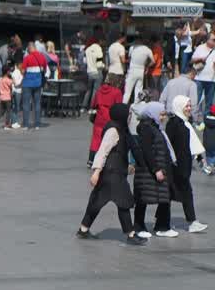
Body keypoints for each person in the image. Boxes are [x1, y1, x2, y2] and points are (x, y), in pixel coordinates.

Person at [78, 103, 146, 245]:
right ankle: (131, 234)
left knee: (97, 202)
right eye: (128, 115)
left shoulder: (122, 129)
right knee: (123, 202)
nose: (129, 117)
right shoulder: (113, 130)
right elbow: (103, 151)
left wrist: (128, 165)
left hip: (114, 172)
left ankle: (83, 230)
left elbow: (120, 151)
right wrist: (96, 172)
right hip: (111, 173)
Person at [165, 96, 209, 234]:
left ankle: (188, 222)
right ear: (179, 106)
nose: (189, 108)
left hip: (184, 166)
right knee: (172, 194)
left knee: (175, 194)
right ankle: (187, 222)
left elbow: (191, 143)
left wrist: (199, 158)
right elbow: (168, 145)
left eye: (190, 106)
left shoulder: (185, 122)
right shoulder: (173, 123)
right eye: (187, 106)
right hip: (175, 166)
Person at [134, 101, 177, 238]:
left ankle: (162, 226)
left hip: (159, 168)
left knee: (165, 197)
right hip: (148, 171)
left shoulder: (155, 127)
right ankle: (139, 226)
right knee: (143, 199)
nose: (164, 117)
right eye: (162, 114)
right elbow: (147, 151)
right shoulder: (146, 128)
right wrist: (156, 169)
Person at [88, 74, 124, 168]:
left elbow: (94, 104)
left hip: (99, 118)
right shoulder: (117, 92)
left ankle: (91, 159)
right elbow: (119, 107)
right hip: (110, 119)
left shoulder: (99, 90)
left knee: (96, 139)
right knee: (109, 140)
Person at [123, 35, 153, 106]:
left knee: (127, 91)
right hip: (141, 70)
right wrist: (147, 67)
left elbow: (130, 58)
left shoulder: (132, 48)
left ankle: (123, 106)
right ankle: (136, 107)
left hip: (132, 70)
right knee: (138, 90)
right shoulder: (147, 49)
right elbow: (153, 61)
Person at [194, 31, 215, 115]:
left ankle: (206, 120)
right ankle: (193, 118)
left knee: (209, 102)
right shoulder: (200, 48)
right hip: (199, 78)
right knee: (196, 100)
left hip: (212, 79)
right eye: (213, 39)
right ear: (207, 40)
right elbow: (192, 60)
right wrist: (200, 59)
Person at [82, 37, 104, 113]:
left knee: (88, 90)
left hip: (89, 72)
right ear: (98, 41)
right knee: (95, 91)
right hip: (97, 72)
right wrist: (104, 66)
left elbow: (84, 61)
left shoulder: (87, 49)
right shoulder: (98, 49)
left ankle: (84, 107)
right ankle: (92, 108)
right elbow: (99, 64)